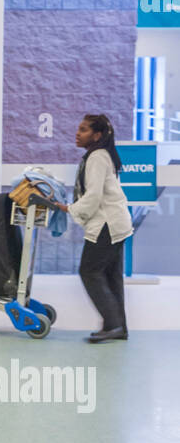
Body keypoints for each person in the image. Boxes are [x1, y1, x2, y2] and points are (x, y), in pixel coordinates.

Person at [58, 114, 133, 343]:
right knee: (111, 276)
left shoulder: (97, 157)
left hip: (107, 225)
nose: (77, 133)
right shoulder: (99, 155)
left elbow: (93, 197)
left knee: (89, 271)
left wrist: (68, 208)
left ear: (97, 135)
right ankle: (119, 327)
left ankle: (113, 325)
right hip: (116, 223)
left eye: (83, 129)